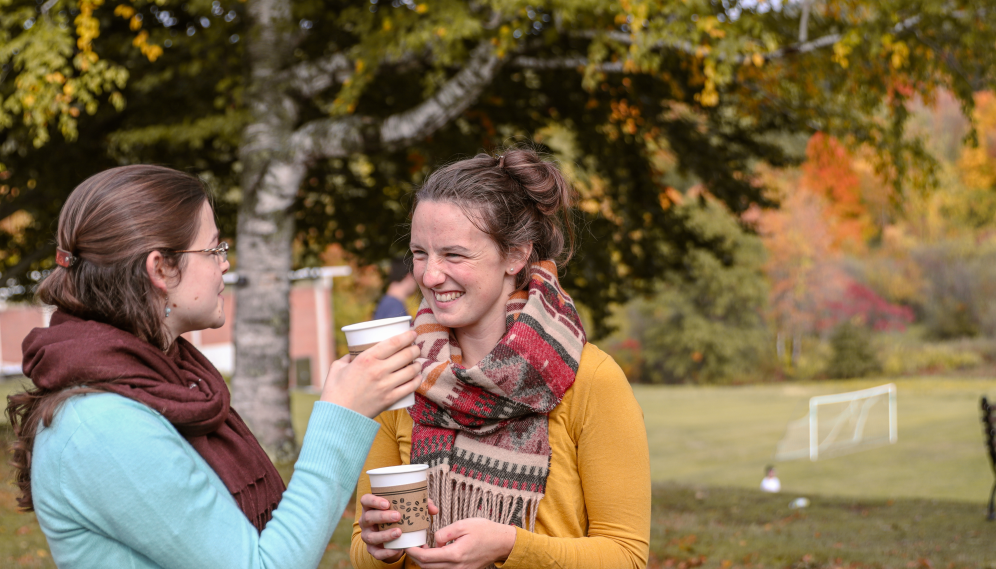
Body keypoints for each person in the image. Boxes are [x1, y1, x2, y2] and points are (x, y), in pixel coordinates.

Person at [4, 165, 422, 569]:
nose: (224, 263)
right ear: (161, 268)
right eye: (213, 249)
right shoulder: (101, 425)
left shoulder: (163, 384)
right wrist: (340, 415)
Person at [351, 149, 651, 569]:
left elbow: (627, 557)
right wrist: (380, 546)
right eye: (420, 254)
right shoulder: (398, 374)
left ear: (515, 255)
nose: (431, 276)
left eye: (454, 255)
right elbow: (364, 551)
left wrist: (512, 546)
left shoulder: (591, 380)